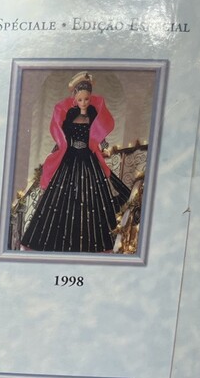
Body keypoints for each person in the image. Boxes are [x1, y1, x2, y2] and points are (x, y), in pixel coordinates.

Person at [20, 72, 132, 253]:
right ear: (75, 99)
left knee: (93, 196)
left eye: (86, 99)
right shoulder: (70, 114)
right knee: (62, 198)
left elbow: (97, 132)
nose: (84, 102)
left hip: (88, 158)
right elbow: (63, 136)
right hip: (70, 157)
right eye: (80, 99)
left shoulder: (93, 113)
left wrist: (103, 143)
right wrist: (56, 149)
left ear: (90, 98)